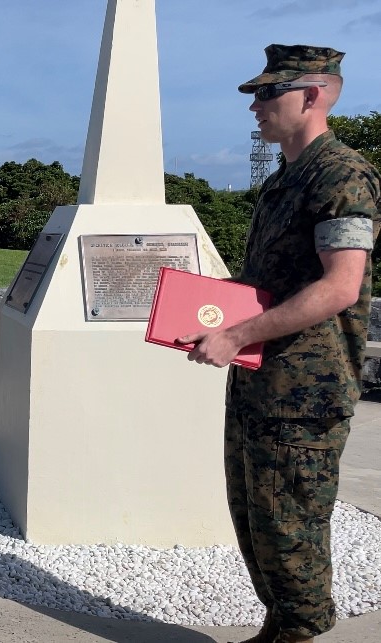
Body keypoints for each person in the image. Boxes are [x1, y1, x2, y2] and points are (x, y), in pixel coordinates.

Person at [180, 45, 381, 643]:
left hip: (304, 394)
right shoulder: (284, 182)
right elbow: (269, 284)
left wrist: (237, 332)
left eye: (268, 94)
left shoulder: (342, 174)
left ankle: (298, 632)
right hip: (260, 381)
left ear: (314, 95)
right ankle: (279, 628)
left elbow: (341, 286)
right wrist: (209, 301)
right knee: (257, 519)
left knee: (290, 525)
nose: (256, 107)